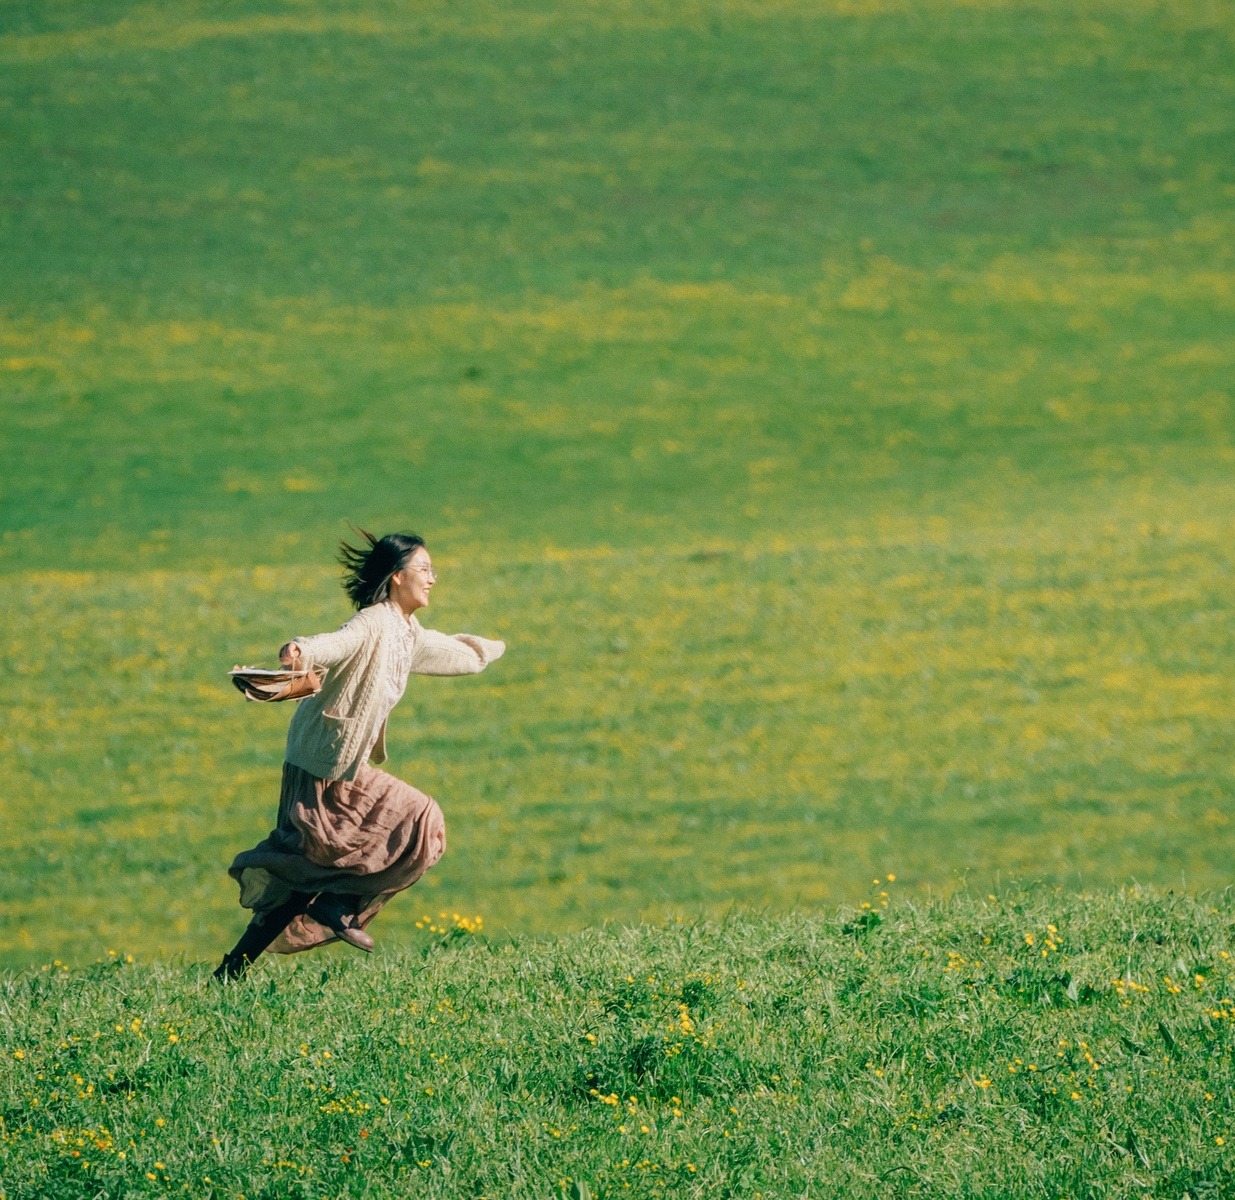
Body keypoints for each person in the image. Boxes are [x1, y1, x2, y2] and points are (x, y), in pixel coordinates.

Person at [213, 530, 505, 981]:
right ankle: (336, 904)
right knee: (421, 818)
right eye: (424, 570)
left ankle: (234, 968)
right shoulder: (374, 622)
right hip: (322, 764)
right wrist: (302, 649)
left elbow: (448, 653)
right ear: (395, 578)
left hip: (341, 764)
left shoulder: (407, 632)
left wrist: (487, 651)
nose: (433, 579)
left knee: (308, 873)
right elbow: (337, 643)